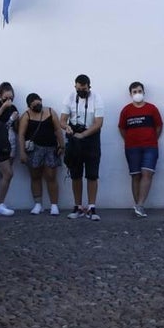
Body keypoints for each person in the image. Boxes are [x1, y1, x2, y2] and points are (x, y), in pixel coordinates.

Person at [61, 74, 104, 220]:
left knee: (92, 174)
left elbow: (98, 123)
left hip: (91, 137)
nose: (81, 92)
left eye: (84, 89)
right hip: (74, 136)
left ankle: (92, 207)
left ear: (89, 87)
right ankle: (77, 206)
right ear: (75, 87)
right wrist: (66, 127)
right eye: (78, 89)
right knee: (76, 174)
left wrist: (84, 135)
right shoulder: (70, 97)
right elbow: (62, 119)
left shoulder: (97, 98)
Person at [117, 82, 163, 218]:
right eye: (135, 91)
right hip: (132, 148)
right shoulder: (126, 110)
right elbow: (121, 128)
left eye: (139, 91)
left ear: (144, 92)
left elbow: (159, 126)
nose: (137, 94)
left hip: (150, 146)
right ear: (130, 94)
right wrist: (129, 140)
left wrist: (153, 139)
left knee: (147, 173)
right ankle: (138, 205)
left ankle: (140, 205)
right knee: (136, 175)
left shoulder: (152, 109)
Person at [17, 93, 64, 215]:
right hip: (34, 150)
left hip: (50, 148)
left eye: (38, 103)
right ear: (29, 106)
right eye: (34, 105)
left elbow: (58, 129)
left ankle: (54, 205)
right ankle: (38, 204)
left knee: (51, 176)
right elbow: (21, 134)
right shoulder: (26, 115)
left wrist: (61, 144)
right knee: (35, 176)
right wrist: (22, 152)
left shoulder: (50, 111)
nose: (37, 106)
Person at [0, 82, 20, 217]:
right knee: (8, 173)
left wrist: (15, 119)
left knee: (4, 174)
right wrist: (3, 107)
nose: (8, 101)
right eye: (5, 98)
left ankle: (0, 203)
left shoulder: (13, 107)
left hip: (11, 142)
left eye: (10, 98)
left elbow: (14, 127)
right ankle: (0, 204)